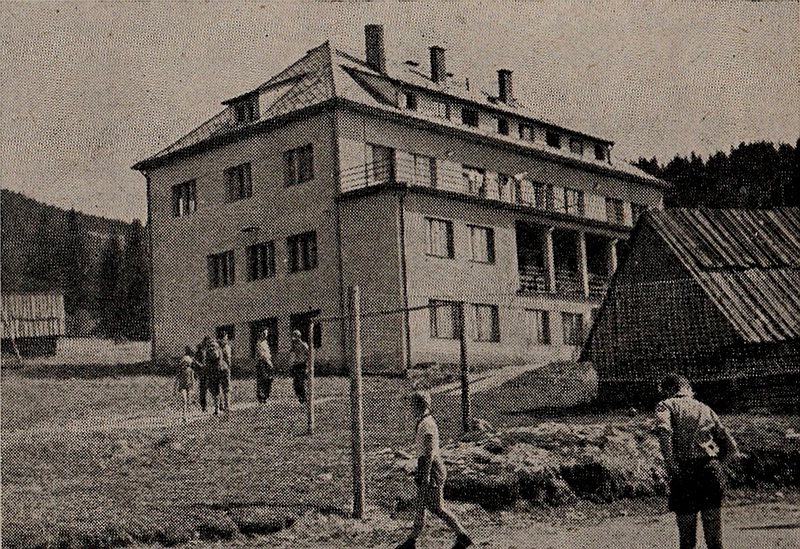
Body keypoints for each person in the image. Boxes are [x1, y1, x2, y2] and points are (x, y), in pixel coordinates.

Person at [654, 374, 740, 549]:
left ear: (669, 390)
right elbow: (732, 447)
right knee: (715, 540)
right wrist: (718, 466)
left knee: (687, 540)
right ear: (687, 388)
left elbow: (665, 432)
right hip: (710, 471)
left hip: (685, 471)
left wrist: (670, 463)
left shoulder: (666, 405)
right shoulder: (705, 408)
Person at [396, 391, 473, 549]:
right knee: (421, 504)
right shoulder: (424, 422)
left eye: (412, 405)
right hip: (425, 467)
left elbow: (430, 452)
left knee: (437, 507)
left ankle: (462, 536)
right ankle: (411, 541)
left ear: (418, 405)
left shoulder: (427, 424)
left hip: (432, 470)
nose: (411, 408)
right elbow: (424, 451)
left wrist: (426, 476)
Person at [205, 339, 230, 415]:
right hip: (224, 368)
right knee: (226, 389)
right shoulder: (220, 349)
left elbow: (208, 362)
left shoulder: (208, 351)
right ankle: (227, 407)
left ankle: (217, 409)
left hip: (214, 370)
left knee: (215, 390)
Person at [174, 346, 196, 423]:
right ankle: (184, 415)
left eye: (186, 363)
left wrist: (193, 388)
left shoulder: (190, 370)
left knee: (188, 401)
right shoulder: (181, 371)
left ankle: (188, 414)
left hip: (189, 386)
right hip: (183, 386)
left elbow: (192, 379)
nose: (184, 365)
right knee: (184, 400)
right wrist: (175, 389)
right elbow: (177, 379)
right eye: (183, 363)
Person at [288, 329, 309, 404]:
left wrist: (307, 366)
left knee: (301, 382)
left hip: (302, 365)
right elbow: (291, 355)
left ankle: (303, 398)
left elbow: (308, 355)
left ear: (299, 337)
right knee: (295, 383)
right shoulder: (294, 346)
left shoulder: (304, 345)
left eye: (295, 337)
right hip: (296, 365)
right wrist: (290, 365)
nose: (294, 340)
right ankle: (300, 397)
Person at [255, 328, 274, 403]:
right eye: (264, 333)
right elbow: (262, 355)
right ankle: (261, 397)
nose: (265, 335)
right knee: (262, 379)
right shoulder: (259, 343)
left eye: (266, 333)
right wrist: (269, 362)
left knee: (269, 379)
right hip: (262, 363)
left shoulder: (265, 342)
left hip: (268, 362)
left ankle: (266, 396)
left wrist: (270, 361)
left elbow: (268, 353)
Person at [194, 337, 210, 412]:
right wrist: (199, 366)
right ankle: (204, 406)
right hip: (202, 373)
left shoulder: (209, 351)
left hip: (208, 372)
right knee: (203, 390)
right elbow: (195, 362)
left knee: (209, 389)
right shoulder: (199, 352)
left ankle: (218, 405)